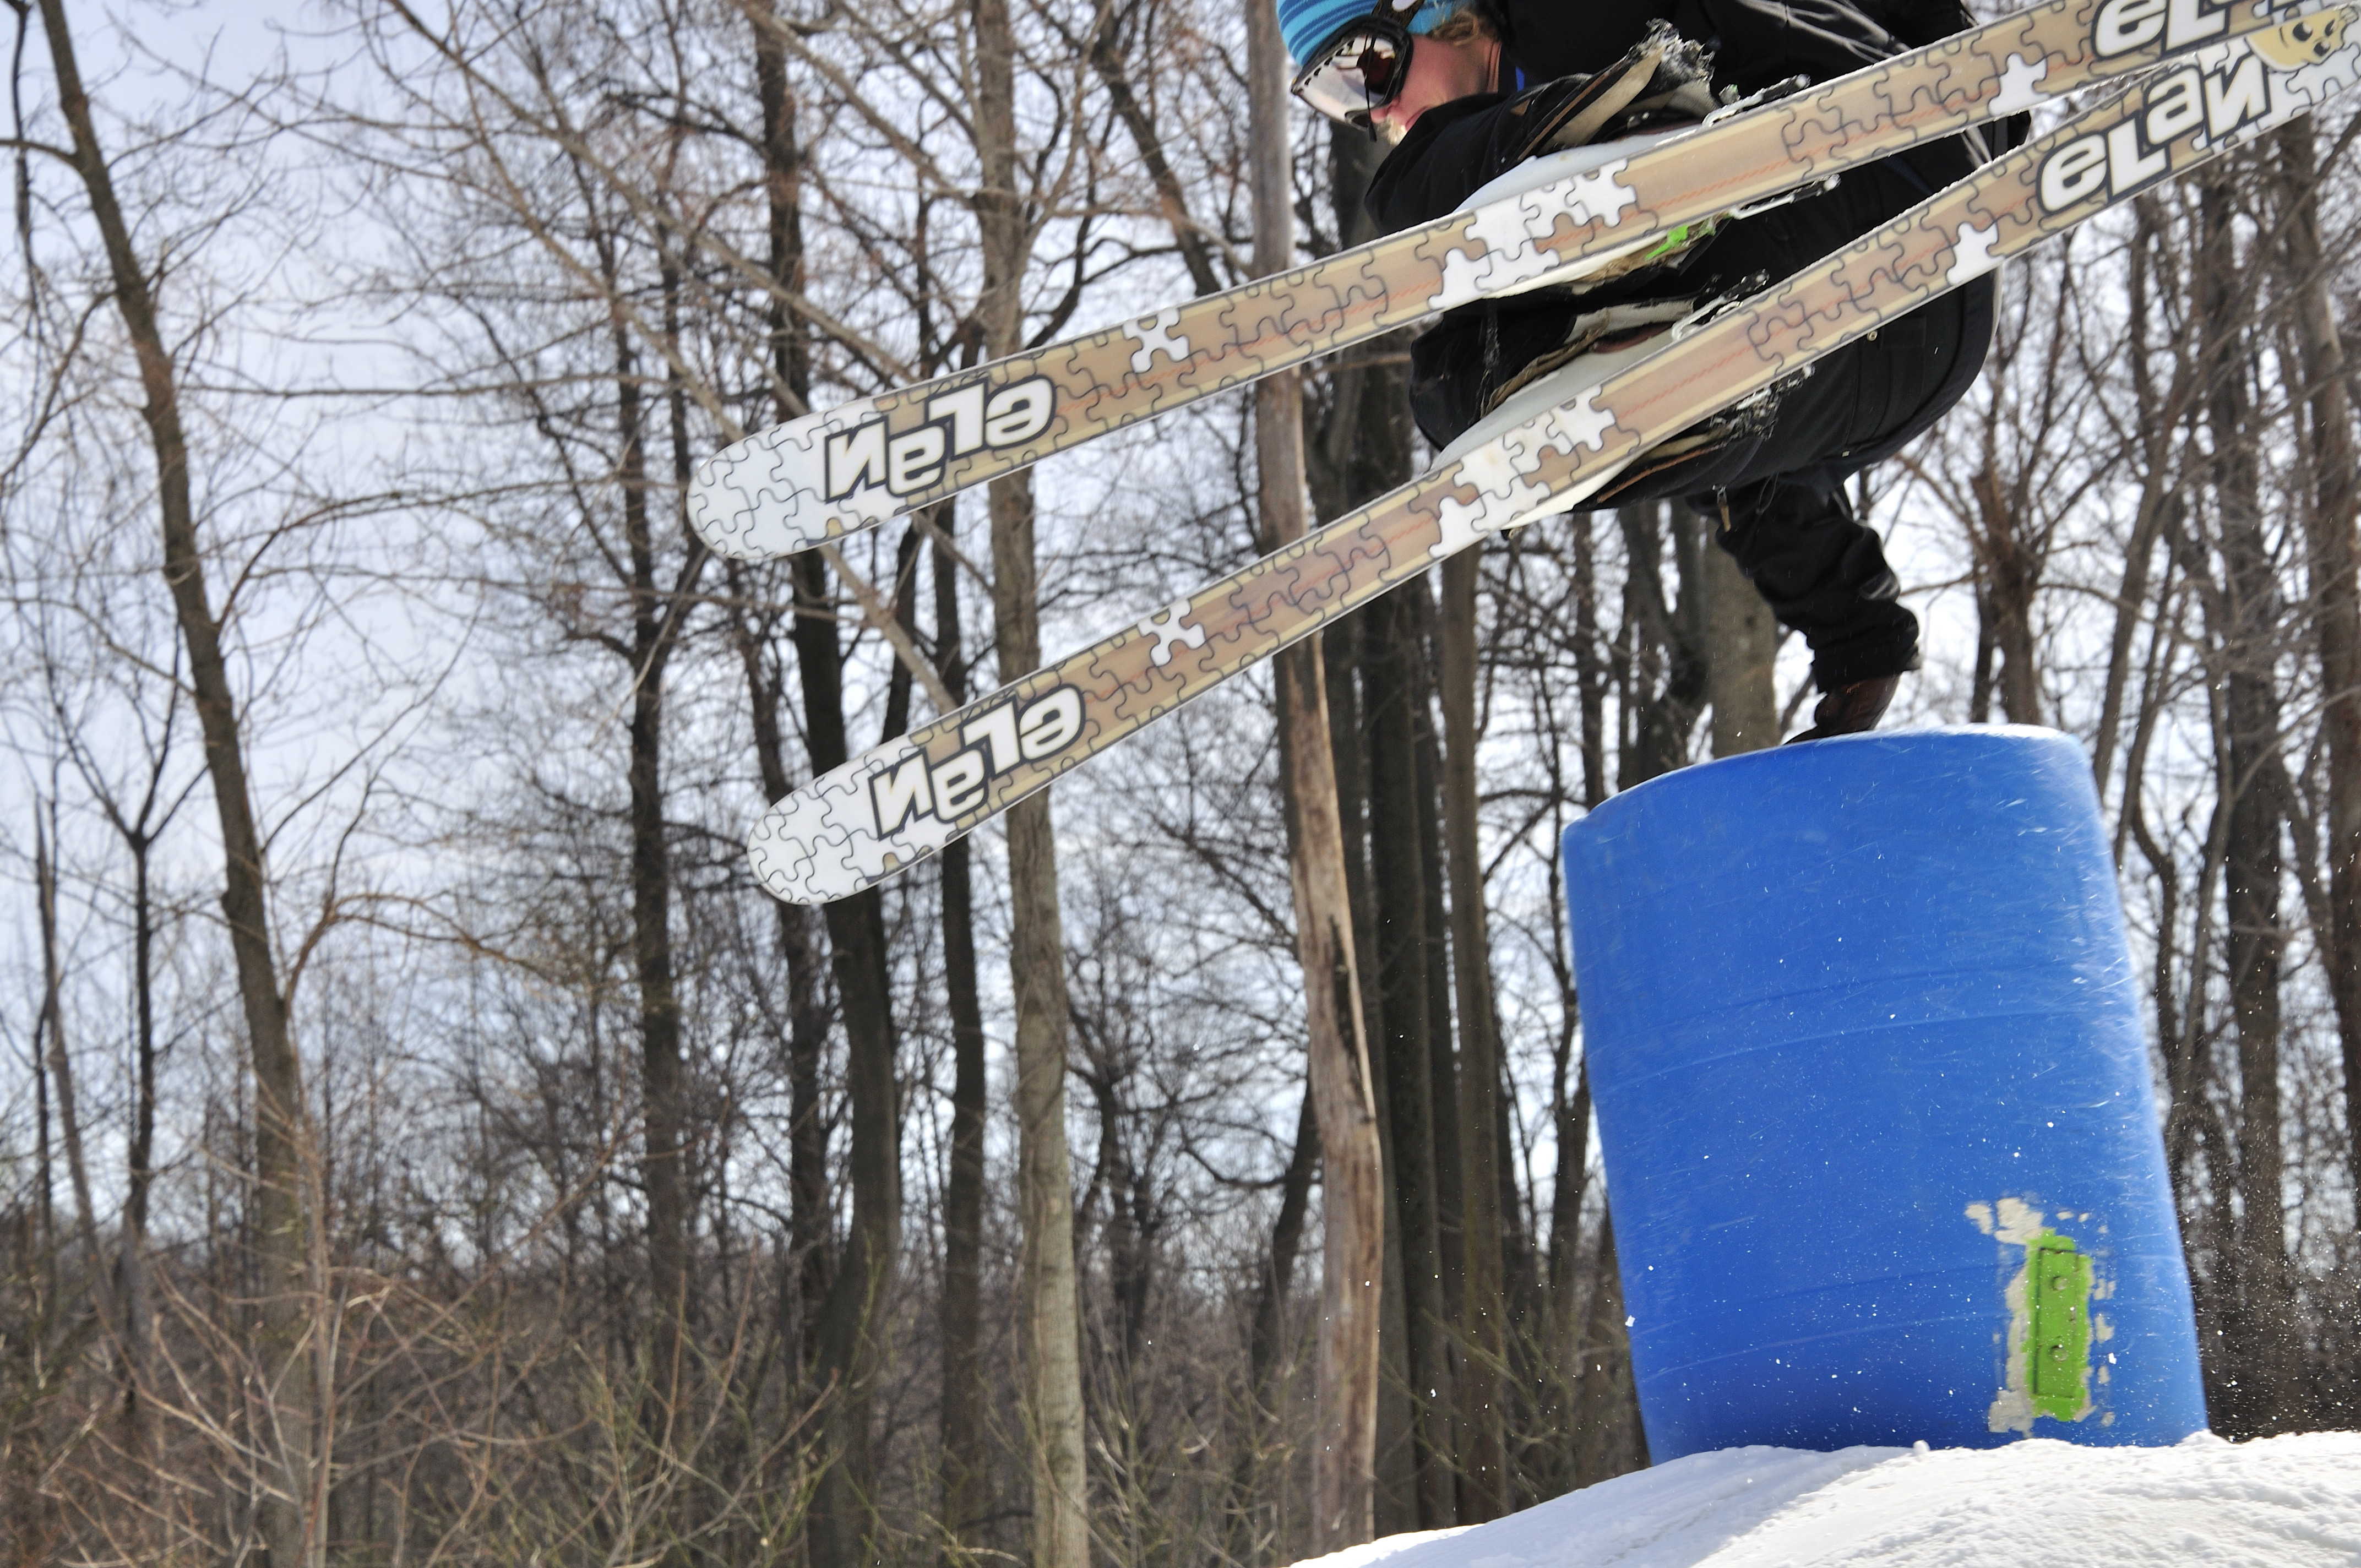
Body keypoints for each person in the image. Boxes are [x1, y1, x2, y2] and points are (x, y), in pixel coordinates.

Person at [1281, 0, 2003, 741]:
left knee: (1420, 186)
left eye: (1366, 65)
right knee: (1455, 387)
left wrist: (1978, 87)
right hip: (1898, 364)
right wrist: (1855, 635)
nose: (1377, 110)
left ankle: (1631, 138)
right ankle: (1609, 194)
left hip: (1881, 185)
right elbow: (1732, 471)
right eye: (1339, 100)